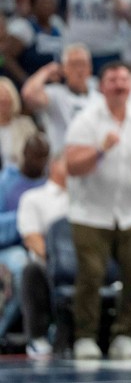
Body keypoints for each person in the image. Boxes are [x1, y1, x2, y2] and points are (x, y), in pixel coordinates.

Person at [64, 62, 131, 360]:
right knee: (92, 274)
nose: (120, 85)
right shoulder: (86, 120)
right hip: (90, 213)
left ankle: (124, 335)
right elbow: (71, 165)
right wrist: (100, 150)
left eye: (124, 79)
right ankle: (85, 337)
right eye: (113, 80)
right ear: (102, 86)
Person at [16, 155, 68, 358]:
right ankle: (37, 336)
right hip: (49, 262)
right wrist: (60, 261)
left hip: (84, 262)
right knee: (31, 269)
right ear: (54, 165)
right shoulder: (34, 198)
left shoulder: (87, 199)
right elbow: (32, 238)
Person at [0, 134, 49, 338]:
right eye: (33, 156)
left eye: (41, 157)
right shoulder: (6, 182)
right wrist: (24, 218)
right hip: (11, 247)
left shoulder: (48, 184)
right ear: (24, 155)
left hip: (41, 245)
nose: (36, 161)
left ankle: (46, 333)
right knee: (23, 271)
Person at [0, 76, 39, 168]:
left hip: (23, 176)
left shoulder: (26, 124)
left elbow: (36, 154)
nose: (3, 101)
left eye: (6, 98)